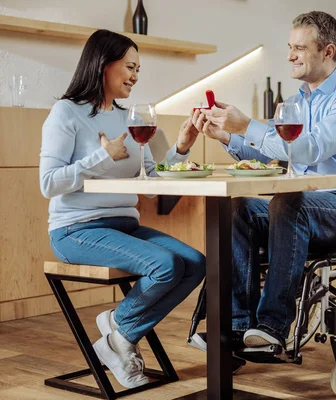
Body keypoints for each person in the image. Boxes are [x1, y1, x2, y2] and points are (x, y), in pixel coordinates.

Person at [198, 11, 336, 349]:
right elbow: (274, 150)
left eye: (299, 47)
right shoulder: (296, 102)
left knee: (288, 201)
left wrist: (246, 126)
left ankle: (273, 326)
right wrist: (227, 136)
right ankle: (239, 327)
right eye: (290, 46)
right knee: (237, 207)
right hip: (302, 203)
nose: (290, 56)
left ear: (327, 51)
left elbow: (311, 149)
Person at [39, 29, 205, 388]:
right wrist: (102, 156)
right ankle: (121, 336)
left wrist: (180, 148)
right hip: (76, 230)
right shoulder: (65, 113)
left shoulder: (131, 117)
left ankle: (118, 331)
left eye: (138, 70)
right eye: (130, 66)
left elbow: (152, 181)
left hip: (123, 225)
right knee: (165, 265)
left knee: (195, 264)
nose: (135, 76)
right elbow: (48, 182)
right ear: (104, 64)